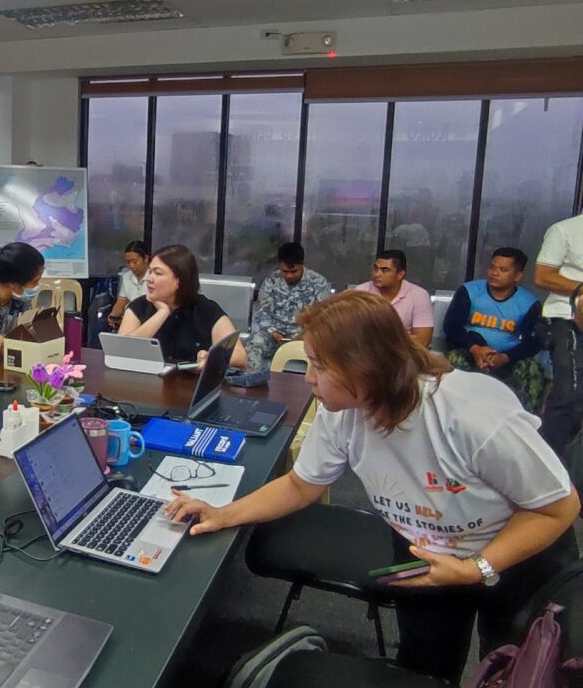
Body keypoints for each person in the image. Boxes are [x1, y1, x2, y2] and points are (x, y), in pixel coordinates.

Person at [166, 291, 579, 685]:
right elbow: (300, 484)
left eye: (318, 366)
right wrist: (225, 513)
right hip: (426, 552)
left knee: (514, 668)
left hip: (518, 553)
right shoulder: (341, 411)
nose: (308, 377)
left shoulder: (471, 415)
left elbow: (558, 508)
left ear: (365, 368)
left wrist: (477, 568)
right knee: (423, 667)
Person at [443, 247, 544, 413]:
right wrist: (476, 349)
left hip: (508, 358)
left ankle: (524, 422)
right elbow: (452, 327)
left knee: (532, 371)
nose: (494, 273)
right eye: (492, 267)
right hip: (469, 351)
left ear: (517, 276)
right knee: (452, 360)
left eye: (503, 270)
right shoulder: (469, 291)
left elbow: (532, 343)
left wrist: (504, 358)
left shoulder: (529, 303)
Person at [118, 244, 247, 368]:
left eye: (158, 273)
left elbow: (240, 357)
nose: (149, 279)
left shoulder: (206, 309)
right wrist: (162, 313)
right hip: (143, 381)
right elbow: (121, 350)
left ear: (179, 281)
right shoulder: (138, 306)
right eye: (150, 272)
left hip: (189, 382)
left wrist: (211, 358)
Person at [534, 212, 583, 456]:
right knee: (569, 394)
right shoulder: (564, 230)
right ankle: (550, 460)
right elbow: (542, 276)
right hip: (566, 318)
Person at [245, 242, 330, 371]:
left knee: (322, 350)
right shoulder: (271, 281)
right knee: (254, 343)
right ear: (279, 265)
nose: (289, 275)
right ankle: (253, 378)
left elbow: (323, 317)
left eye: (294, 271)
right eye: (285, 271)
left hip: (304, 336)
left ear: (303, 265)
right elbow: (262, 312)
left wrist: (304, 335)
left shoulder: (318, 282)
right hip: (274, 335)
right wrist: (273, 332)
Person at [355, 249, 434, 348]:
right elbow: (352, 333)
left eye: (384, 270)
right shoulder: (361, 292)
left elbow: (423, 341)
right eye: (375, 269)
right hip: (367, 354)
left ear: (400, 274)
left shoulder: (419, 295)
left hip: (404, 355)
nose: (377, 274)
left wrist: (379, 339)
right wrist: (404, 336)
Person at [107, 240, 150, 330]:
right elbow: (121, 301)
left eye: (134, 261)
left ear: (145, 259)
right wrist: (113, 316)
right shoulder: (126, 277)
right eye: (128, 262)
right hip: (129, 319)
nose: (131, 266)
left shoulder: (154, 277)